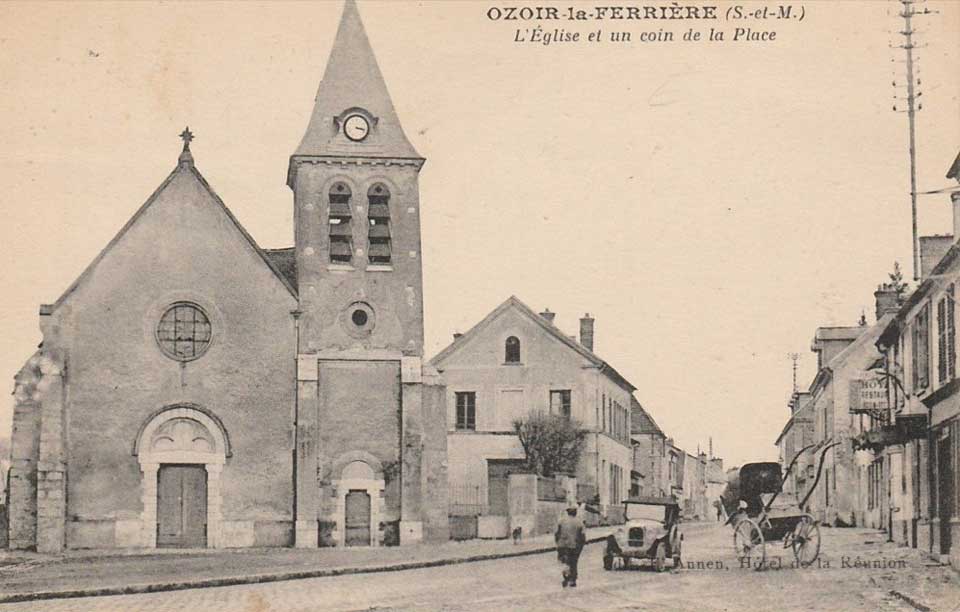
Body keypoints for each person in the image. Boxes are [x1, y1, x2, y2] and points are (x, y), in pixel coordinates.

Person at [555, 505, 586, 588]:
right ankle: (572, 580)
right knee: (573, 562)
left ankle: (566, 577)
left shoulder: (561, 521)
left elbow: (557, 533)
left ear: (567, 512)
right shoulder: (579, 522)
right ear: (575, 512)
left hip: (562, 545)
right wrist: (580, 547)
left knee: (564, 562)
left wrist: (557, 543)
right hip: (573, 546)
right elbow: (583, 536)